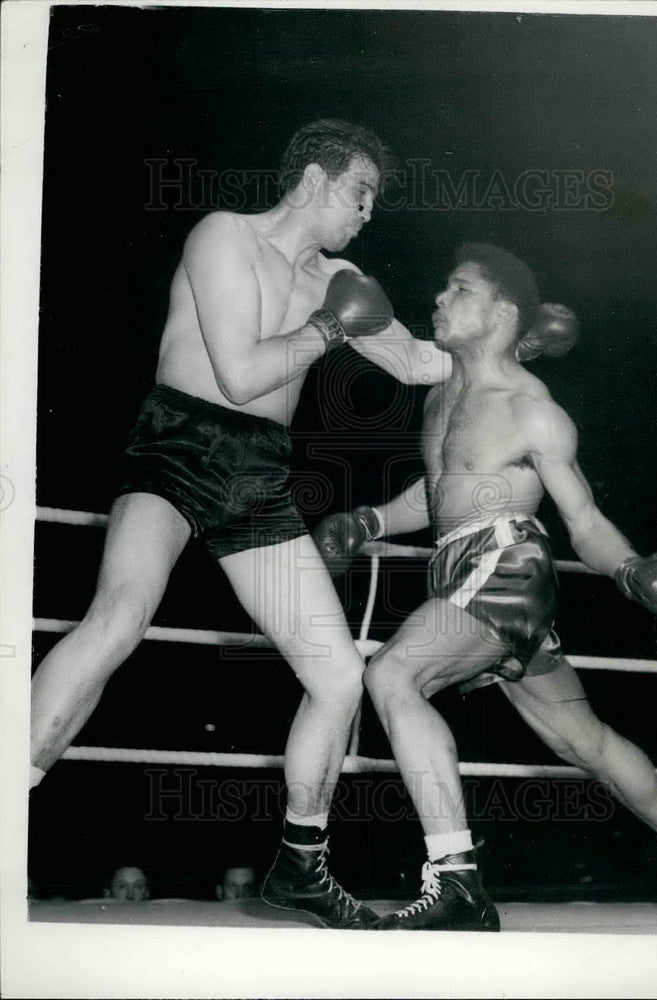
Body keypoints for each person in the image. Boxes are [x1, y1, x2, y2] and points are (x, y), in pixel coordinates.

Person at [29, 120, 450, 930]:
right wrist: (331, 326)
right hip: (179, 442)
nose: (368, 214)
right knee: (120, 616)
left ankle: (300, 864)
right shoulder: (222, 235)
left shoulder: (343, 276)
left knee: (337, 674)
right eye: (361, 194)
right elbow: (241, 370)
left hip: (259, 471)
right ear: (319, 181)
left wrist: (498, 348)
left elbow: (415, 363)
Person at [314, 242, 657, 930]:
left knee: (393, 677)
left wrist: (629, 568)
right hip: (463, 567)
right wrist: (369, 517)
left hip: (506, 563)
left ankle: (457, 878)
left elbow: (582, 519)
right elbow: (440, 497)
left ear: (500, 312)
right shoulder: (442, 396)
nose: (439, 298)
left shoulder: (529, 407)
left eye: (457, 288)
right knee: (582, 739)